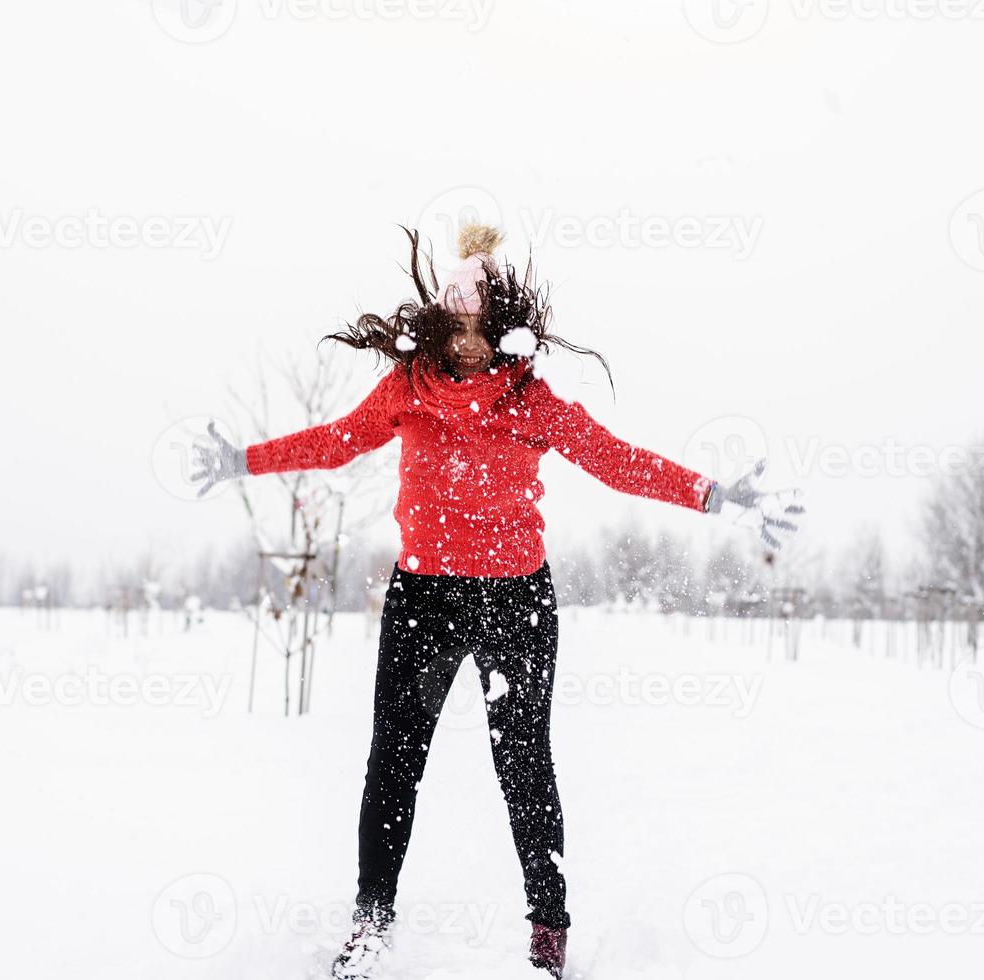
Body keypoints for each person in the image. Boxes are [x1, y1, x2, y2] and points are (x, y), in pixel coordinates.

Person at [191, 223, 803, 978]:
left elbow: (615, 462)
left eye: (484, 330)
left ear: (506, 330)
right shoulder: (406, 392)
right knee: (392, 763)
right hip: (423, 597)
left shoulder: (531, 401)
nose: (471, 344)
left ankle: (548, 933)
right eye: (460, 328)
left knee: (522, 766)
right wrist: (245, 461)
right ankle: (371, 921)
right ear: (441, 326)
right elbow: (337, 439)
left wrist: (711, 495)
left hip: (514, 601)